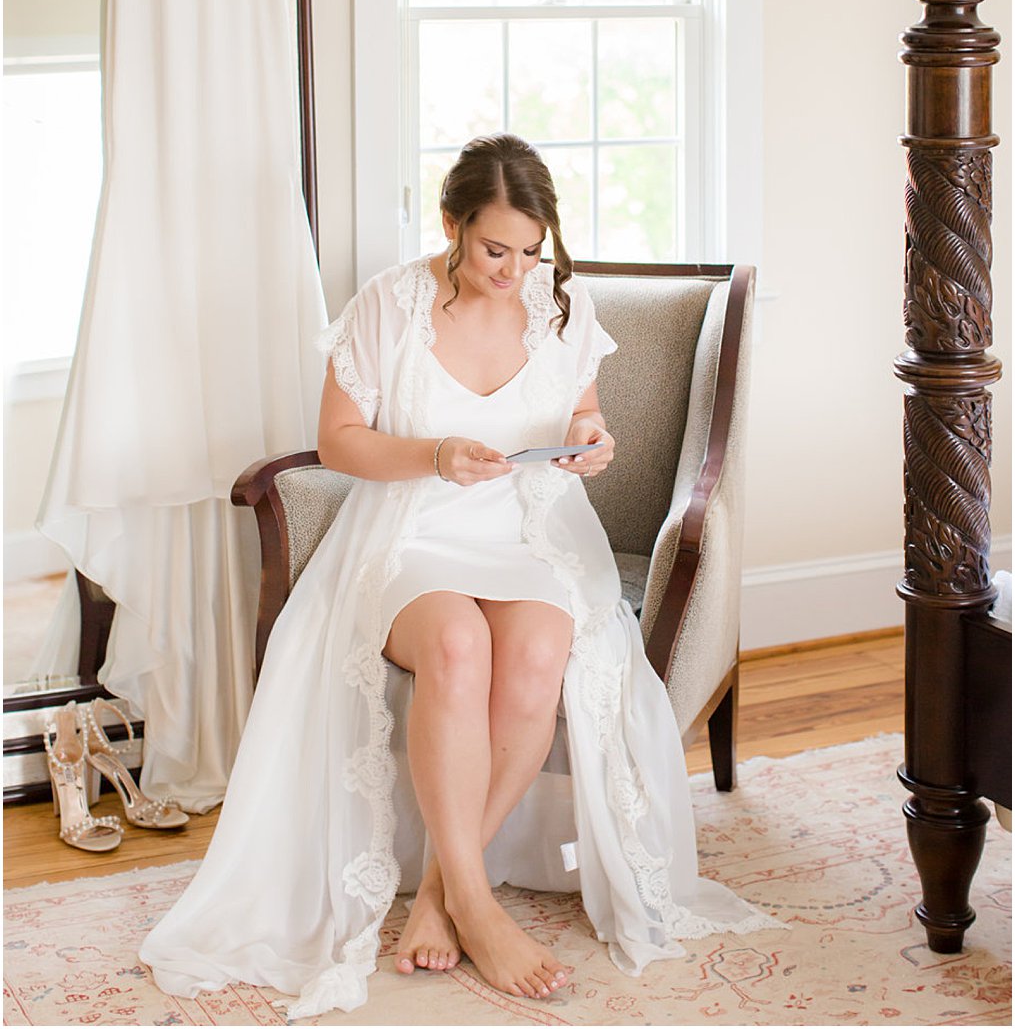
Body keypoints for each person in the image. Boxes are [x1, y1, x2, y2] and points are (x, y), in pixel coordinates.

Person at [141, 134, 778, 1019]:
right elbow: (339, 442)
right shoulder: (388, 305)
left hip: (531, 525)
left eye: (530, 251)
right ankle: (478, 907)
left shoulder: (562, 304)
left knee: (538, 648)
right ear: (450, 226)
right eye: (493, 250)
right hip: (412, 525)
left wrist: (595, 445)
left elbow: (583, 411)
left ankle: (446, 887)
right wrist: (435, 454)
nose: (513, 270)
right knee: (454, 643)